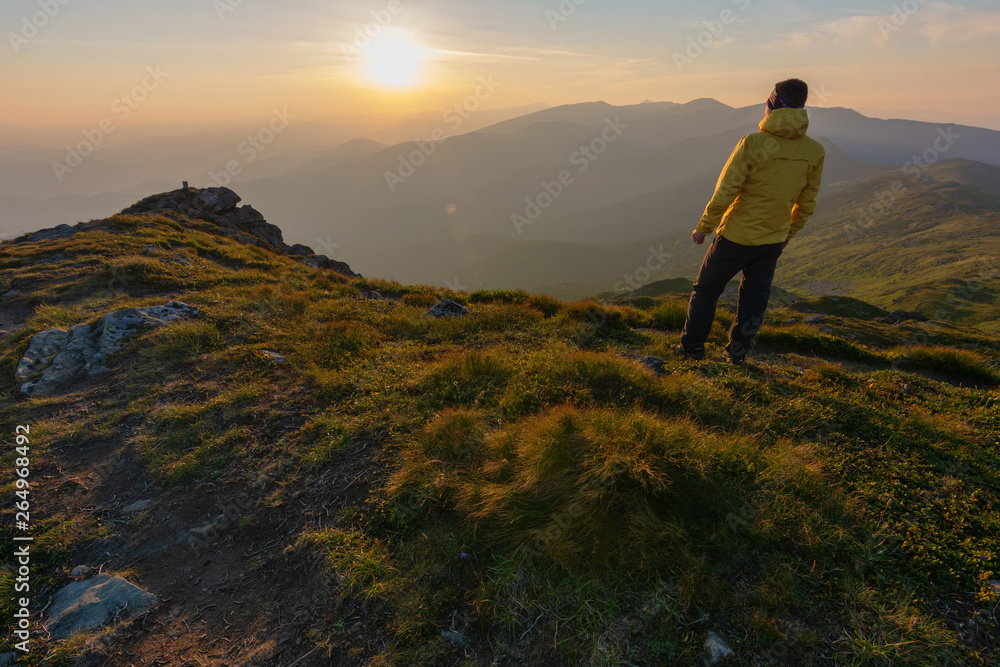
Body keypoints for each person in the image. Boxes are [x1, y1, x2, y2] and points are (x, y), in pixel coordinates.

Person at [673, 78, 825, 364]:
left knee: (706, 289)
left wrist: (704, 227)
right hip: (773, 240)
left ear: (773, 103)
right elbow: (807, 202)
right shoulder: (814, 151)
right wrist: (787, 233)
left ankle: (692, 348)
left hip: (736, 236)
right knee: (754, 299)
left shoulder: (752, 143)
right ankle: (738, 355)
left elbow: (726, 191)